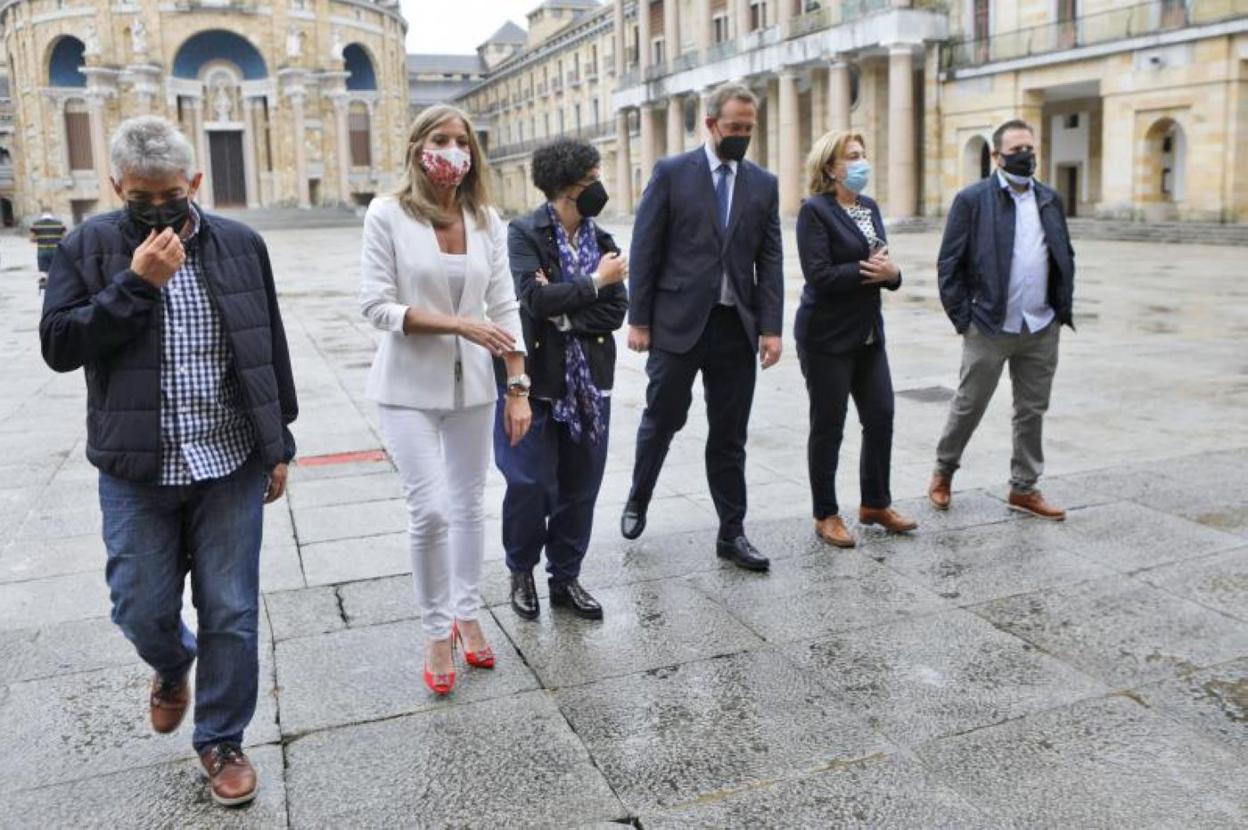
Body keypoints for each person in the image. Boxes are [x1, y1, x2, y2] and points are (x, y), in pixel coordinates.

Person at [39, 116, 297, 807]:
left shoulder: (240, 244)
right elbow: (59, 345)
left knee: (233, 610)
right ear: (116, 184)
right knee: (139, 606)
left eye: (172, 194)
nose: (158, 207)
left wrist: (279, 445)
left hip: (229, 461)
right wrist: (136, 284)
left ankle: (221, 739)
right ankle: (169, 660)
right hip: (136, 468)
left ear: (196, 183)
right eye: (141, 196)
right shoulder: (86, 246)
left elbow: (266, 343)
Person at [359, 104, 530, 697]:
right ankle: (435, 631)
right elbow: (375, 305)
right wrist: (459, 325)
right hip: (406, 386)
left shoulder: (487, 219)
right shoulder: (387, 214)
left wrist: (517, 386)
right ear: (417, 147)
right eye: (440, 139)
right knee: (428, 510)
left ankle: (467, 613)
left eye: (462, 141)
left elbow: (505, 307)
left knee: (469, 506)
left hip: (475, 389)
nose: (453, 150)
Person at [622, 81, 784, 572]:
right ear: (710, 124)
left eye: (749, 128)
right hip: (675, 325)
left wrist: (771, 328)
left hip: (735, 326)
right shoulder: (673, 173)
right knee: (663, 418)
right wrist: (640, 319)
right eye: (734, 127)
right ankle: (638, 497)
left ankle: (731, 532)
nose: (741, 135)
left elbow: (770, 258)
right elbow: (645, 248)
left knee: (730, 434)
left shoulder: (763, 183)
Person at [499, 138, 629, 622]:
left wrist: (572, 317)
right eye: (592, 180)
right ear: (566, 187)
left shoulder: (604, 241)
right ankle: (521, 570)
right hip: (540, 380)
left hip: (591, 383)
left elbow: (618, 309)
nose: (600, 188)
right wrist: (595, 283)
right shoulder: (525, 233)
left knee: (581, 486)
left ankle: (566, 577)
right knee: (529, 482)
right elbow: (535, 302)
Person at [930, 118, 1075, 520]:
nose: (1026, 157)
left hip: (1040, 325)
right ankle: (943, 472)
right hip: (989, 325)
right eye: (1016, 151)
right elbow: (949, 264)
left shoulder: (1049, 198)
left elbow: (1063, 252)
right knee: (969, 404)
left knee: (1032, 410)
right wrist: (965, 319)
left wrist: (1061, 309)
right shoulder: (972, 200)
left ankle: (1024, 488)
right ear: (996, 156)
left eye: (1030, 149)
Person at [795, 131, 917, 548]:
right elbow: (820, 274)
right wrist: (871, 272)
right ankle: (825, 513)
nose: (861, 162)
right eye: (852, 156)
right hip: (826, 335)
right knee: (828, 425)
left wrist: (894, 275)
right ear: (831, 167)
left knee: (881, 415)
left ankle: (875, 503)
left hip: (868, 332)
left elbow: (885, 263)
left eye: (863, 154)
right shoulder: (814, 211)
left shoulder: (869, 207)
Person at [30, 208, 67, 290]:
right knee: (57, 269)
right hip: (56, 251)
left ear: (42, 214)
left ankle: (44, 284)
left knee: (43, 271)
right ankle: (58, 287)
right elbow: (64, 239)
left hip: (42, 251)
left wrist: (40, 238)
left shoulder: (36, 224)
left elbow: (32, 239)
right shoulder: (60, 224)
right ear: (52, 213)